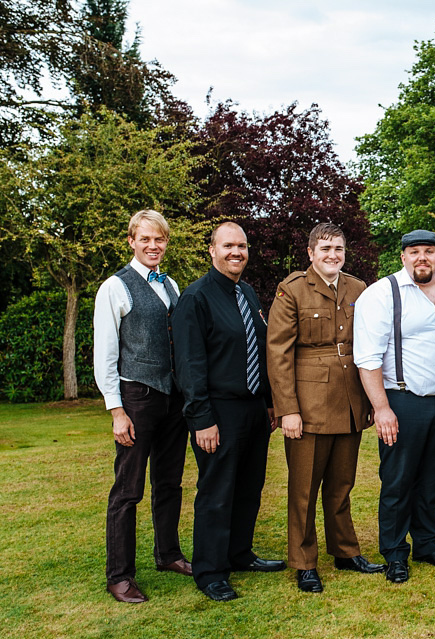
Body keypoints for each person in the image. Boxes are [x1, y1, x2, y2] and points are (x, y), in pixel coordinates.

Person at [266, 223, 384, 595]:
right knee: (304, 490)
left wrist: (367, 402)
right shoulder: (293, 289)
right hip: (308, 405)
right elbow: (278, 353)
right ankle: (304, 562)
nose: (333, 255)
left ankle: (345, 551)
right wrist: (287, 409)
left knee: (342, 485)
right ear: (311, 252)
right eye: (326, 248)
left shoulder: (358, 288)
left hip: (349, 400)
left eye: (339, 249)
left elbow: (367, 344)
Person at [172, 222, 285, 602]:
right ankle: (211, 571)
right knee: (217, 492)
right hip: (218, 411)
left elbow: (260, 350)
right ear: (212, 250)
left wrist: (269, 401)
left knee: (249, 488)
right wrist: (201, 418)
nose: (236, 252)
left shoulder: (247, 292)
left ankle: (239, 554)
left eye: (242, 245)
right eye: (228, 246)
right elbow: (190, 365)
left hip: (253, 408)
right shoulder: (196, 298)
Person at [354, 230, 435, 584]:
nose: (422, 258)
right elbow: (367, 358)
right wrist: (382, 408)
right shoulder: (382, 293)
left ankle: (427, 545)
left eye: (429, 251)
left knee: (434, 478)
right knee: (398, 481)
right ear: (403, 257)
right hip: (402, 401)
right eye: (414, 252)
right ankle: (394, 553)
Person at [94, 209, 192, 603]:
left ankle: (168, 554)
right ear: (132, 241)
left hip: (173, 399)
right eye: (146, 239)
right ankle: (119, 575)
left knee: (169, 483)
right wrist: (117, 411)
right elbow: (106, 355)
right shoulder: (114, 287)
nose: (154, 246)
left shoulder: (171, 284)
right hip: (136, 398)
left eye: (160, 240)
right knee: (128, 490)